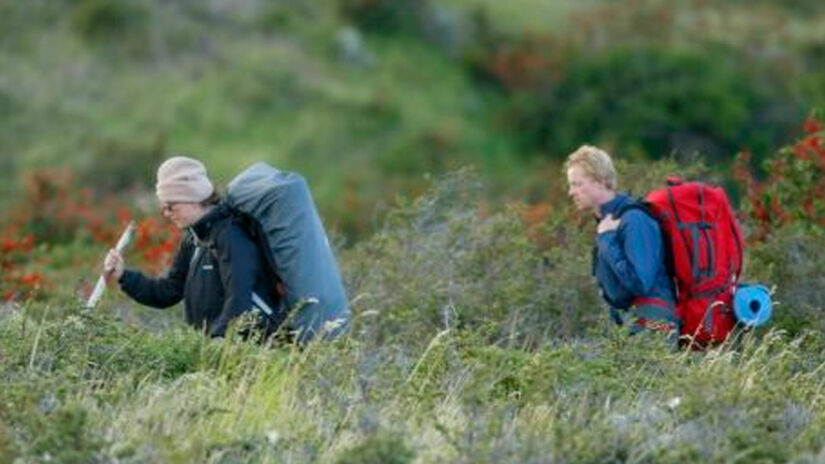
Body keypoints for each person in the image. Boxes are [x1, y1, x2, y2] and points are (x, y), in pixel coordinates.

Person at [104, 156, 281, 339]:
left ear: (194, 198)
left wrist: (215, 345)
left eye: (170, 206)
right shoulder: (194, 238)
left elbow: (239, 303)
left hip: (247, 355)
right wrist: (124, 275)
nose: (166, 213)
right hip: (214, 354)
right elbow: (167, 291)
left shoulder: (231, 236)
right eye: (163, 207)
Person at [565, 145, 678, 336]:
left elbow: (641, 284)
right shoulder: (610, 222)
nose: (571, 192)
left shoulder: (634, 219)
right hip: (634, 320)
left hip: (654, 322)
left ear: (601, 182)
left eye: (578, 184)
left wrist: (608, 240)